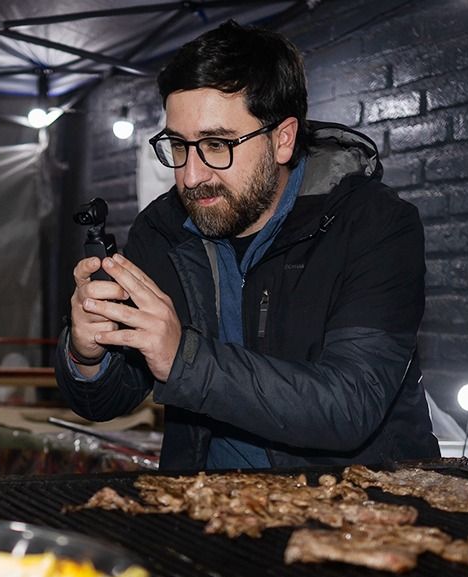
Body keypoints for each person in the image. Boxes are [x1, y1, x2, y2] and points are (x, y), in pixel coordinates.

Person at [56, 20, 438, 470]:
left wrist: (184, 360)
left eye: (217, 144)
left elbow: (349, 406)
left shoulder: (373, 224)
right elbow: (107, 400)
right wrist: (87, 351)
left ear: (283, 139)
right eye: (178, 146)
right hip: (207, 516)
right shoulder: (164, 228)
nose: (192, 176)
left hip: (354, 518)